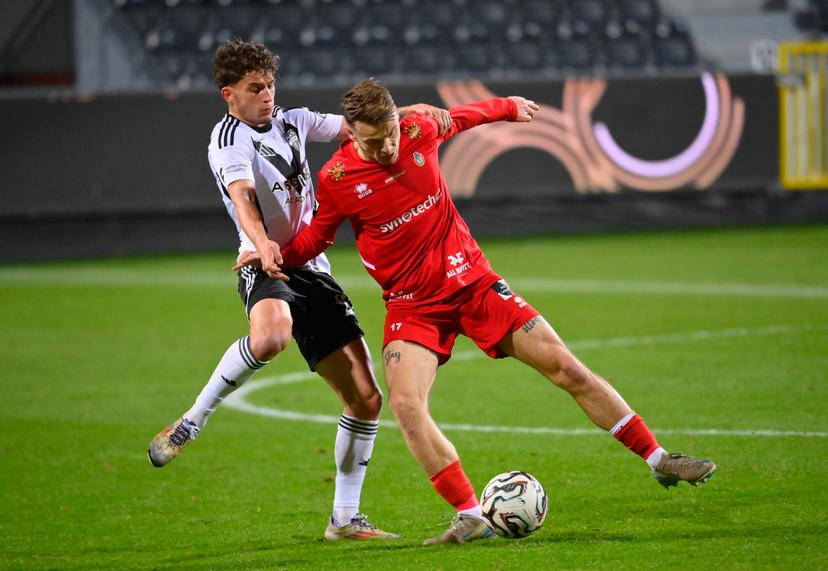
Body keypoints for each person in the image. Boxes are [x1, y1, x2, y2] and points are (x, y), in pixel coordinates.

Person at [236, 78, 717, 546]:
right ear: (352, 134)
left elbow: (462, 118)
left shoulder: (420, 130)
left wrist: (509, 105)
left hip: (474, 284)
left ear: (400, 122)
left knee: (565, 366)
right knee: (405, 406)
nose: (386, 148)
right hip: (412, 306)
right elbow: (316, 238)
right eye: (373, 142)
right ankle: (468, 514)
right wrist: (268, 251)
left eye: (391, 135)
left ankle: (659, 459)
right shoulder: (337, 179)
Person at [147, 42, 451, 542]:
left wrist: (410, 111)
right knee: (270, 337)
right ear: (230, 94)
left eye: (270, 85)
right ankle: (192, 421)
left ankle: (344, 520)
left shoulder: (295, 121)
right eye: (254, 88)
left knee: (367, 399)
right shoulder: (228, 141)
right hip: (264, 263)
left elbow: (360, 124)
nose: (267, 95)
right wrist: (262, 240)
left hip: (313, 265)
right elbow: (242, 195)